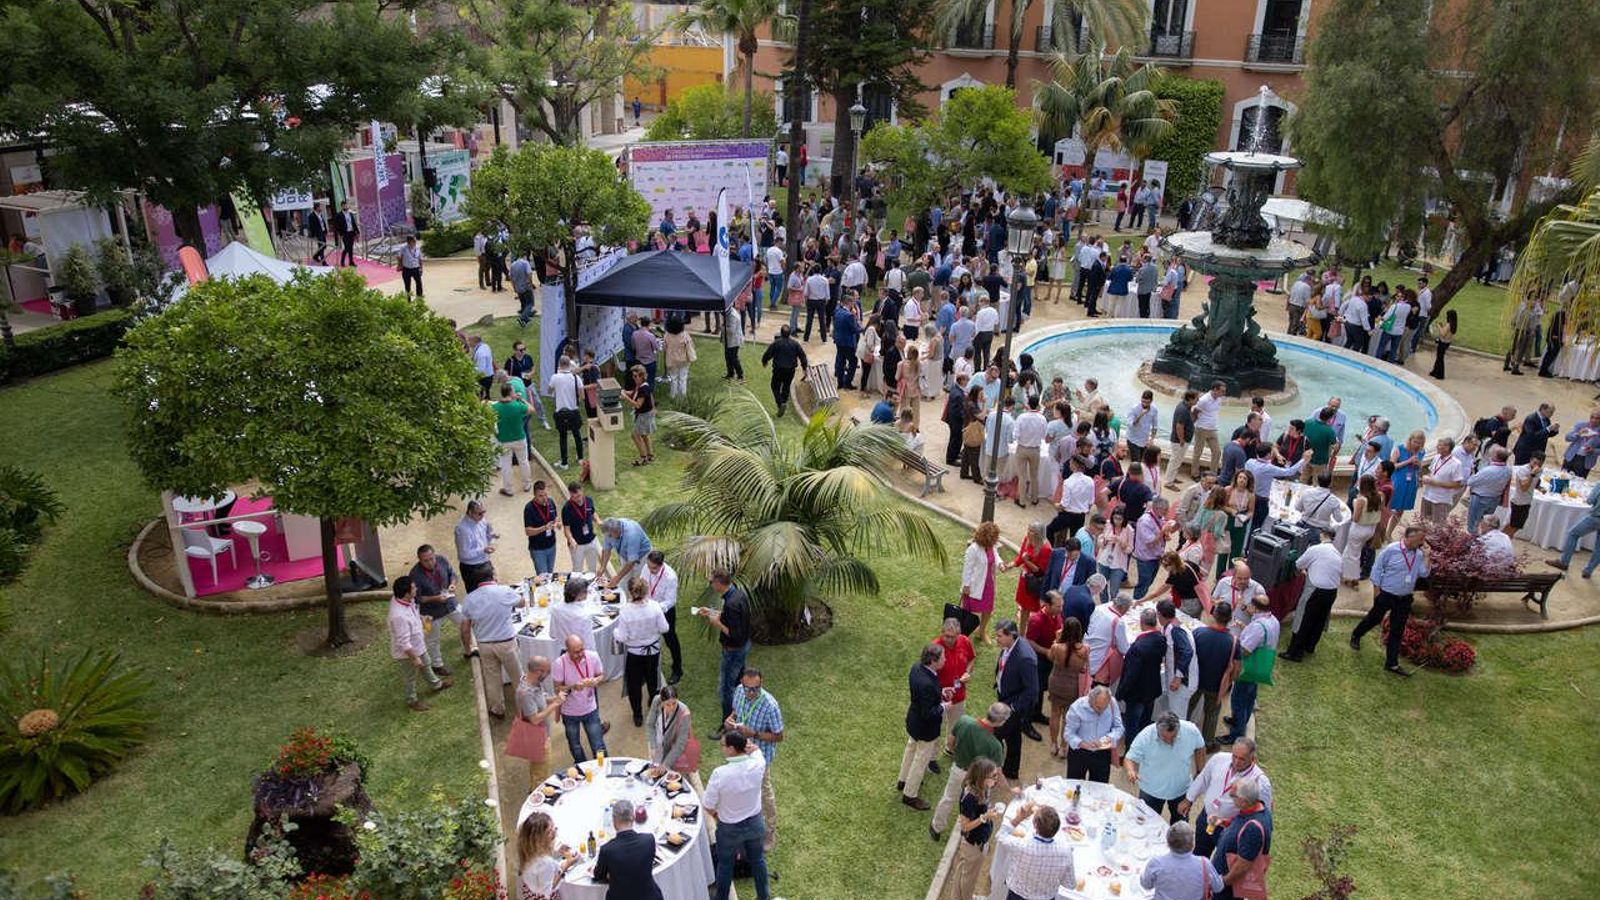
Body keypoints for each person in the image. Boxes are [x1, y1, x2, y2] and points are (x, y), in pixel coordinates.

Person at [1350, 525, 1430, 676]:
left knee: (1397, 630)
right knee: (1374, 618)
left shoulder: (1419, 554)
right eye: (1420, 539)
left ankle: (1391, 663)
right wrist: (1377, 592)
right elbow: (1377, 570)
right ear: (1409, 537)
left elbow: (1424, 574)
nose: (1422, 542)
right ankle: (1357, 634)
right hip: (1387, 594)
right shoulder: (1391, 550)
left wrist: (1427, 557)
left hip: (1405, 598)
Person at [1181, 738, 1273, 859]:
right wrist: (1189, 799)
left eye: (1242, 759)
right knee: (1199, 855)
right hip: (1207, 818)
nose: (1236, 762)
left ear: (1253, 759)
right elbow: (1203, 778)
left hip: (1229, 829)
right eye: (1234, 756)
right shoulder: (1219, 759)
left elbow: (1263, 813)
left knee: (1222, 862)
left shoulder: (1260, 782)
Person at [705, 732, 770, 900]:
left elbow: (708, 805)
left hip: (729, 828)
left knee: (725, 865)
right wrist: (750, 746)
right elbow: (756, 750)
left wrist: (719, 817)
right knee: (758, 861)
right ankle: (764, 897)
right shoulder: (759, 763)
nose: (722, 749)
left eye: (723, 746)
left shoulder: (720, 774)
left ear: (732, 749)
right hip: (755, 823)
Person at [931, 702, 1009, 840]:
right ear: (1000, 722)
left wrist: (959, 755)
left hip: (958, 769)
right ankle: (968, 830)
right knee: (978, 805)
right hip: (978, 780)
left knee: (948, 798)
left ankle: (936, 828)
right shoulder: (996, 746)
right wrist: (1009, 789)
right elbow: (998, 773)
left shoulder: (964, 720)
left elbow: (950, 743)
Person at [725, 667, 784, 848]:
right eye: (747, 688)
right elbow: (736, 711)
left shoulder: (770, 705)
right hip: (740, 753)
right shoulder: (739, 692)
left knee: (764, 793)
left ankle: (770, 832)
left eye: (755, 689)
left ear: (761, 684)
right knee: (743, 789)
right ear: (742, 685)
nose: (750, 693)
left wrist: (754, 733)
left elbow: (779, 736)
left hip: (760, 757)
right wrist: (730, 719)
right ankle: (746, 824)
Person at [460, 564, 526, 718]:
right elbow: (522, 603)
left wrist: (468, 648)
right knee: (518, 676)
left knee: (492, 679)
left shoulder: (470, 598)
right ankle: (524, 708)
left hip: (484, 645)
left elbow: (465, 627)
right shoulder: (503, 591)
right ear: (493, 576)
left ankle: (497, 709)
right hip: (506, 643)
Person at [697, 569, 754, 733]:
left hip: (734, 651)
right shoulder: (737, 594)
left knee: (725, 688)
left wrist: (717, 623)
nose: (710, 585)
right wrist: (712, 612)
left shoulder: (731, 603)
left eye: (711, 582)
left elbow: (734, 634)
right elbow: (732, 618)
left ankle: (727, 724)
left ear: (718, 584)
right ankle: (740, 711)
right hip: (744, 646)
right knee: (739, 683)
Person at [1125, 711, 1206, 823]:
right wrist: (1131, 771)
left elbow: (1200, 747)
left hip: (1181, 789)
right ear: (1157, 729)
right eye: (1164, 737)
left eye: (1173, 737)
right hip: (1151, 790)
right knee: (1147, 823)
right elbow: (1130, 758)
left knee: (1180, 825)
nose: (1169, 741)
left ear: (1179, 729)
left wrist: (1200, 771)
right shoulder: (1146, 735)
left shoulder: (1191, 730)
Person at [940, 757, 1004, 900]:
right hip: (973, 845)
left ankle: (957, 897)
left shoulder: (983, 788)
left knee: (963, 871)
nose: (996, 778)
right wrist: (984, 817)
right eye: (993, 776)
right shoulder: (969, 797)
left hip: (977, 841)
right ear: (982, 777)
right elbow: (965, 826)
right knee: (969, 878)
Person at [388, 576, 453, 711]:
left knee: (427, 664)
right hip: (409, 654)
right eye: (413, 588)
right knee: (410, 677)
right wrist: (414, 658)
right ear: (406, 593)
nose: (416, 589)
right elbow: (403, 642)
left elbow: (413, 615)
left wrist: (422, 619)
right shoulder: (398, 616)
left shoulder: (407, 600)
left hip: (418, 646)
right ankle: (412, 701)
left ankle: (436, 685)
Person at [1220, 594, 1276, 745]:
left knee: (1239, 699)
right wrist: (1245, 628)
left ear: (1255, 608)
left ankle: (1236, 734)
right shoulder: (1273, 620)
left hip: (1248, 667)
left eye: (1251, 606)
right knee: (1250, 697)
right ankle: (1240, 721)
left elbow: (1245, 650)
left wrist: (1234, 642)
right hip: (1260, 666)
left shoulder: (1258, 627)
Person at [899, 643, 948, 810]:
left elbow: (924, 697)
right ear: (933, 661)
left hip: (913, 721)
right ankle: (910, 794)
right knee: (920, 761)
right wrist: (943, 706)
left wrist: (939, 694)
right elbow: (928, 713)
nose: (945, 660)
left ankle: (903, 780)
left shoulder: (916, 668)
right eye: (942, 658)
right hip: (925, 728)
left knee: (910, 749)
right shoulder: (927, 683)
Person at [409, 544, 470, 672]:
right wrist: (435, 598)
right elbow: (417, 598)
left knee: (466, 621)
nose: (430, 562)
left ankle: (468, 650)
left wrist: (453, 584)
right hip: (429, 612)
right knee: (432, 640)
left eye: (432, 558)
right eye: (426, 560)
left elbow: (452, 574)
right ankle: (437, 665)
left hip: (450, 603)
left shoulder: (441, 559)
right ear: (419, 560)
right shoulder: (414, 575)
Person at [993, 619, 1039, 780]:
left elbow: (1032, 690)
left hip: (1013, 705)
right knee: (1013, 736)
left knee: (995, 735)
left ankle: (993, 770)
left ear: (1011, 635)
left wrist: (1012, 707)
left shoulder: (1025, 658)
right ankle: (1011, 770)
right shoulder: (1009, 646)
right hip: (1005, 696)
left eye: (999, 636)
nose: (996, 639)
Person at [1211, 779, 1272, 900]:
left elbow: (1243, 865)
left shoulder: (1253, 828)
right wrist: (1223, 822)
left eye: (1233, 795)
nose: (1230, 796)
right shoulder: (1256, 809)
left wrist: (1223, 882)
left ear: (1244, 802)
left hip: (1227, 889)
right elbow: (1240, 823)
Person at [1286, 529, 1341, 661]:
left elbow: (1298, 564)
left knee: (1304, 619)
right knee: (1319, 620)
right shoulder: (1337, 553)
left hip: (1316, 589)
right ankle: (1309, 646)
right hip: (1332, 590)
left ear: (1323, 535)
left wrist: (1305, 571)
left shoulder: (1315, 549)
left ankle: (1295, 652)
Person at [1001, 804, 1077, 900]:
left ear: (1035, 825)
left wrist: (1019, 818)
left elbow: (1001, 835)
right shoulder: (1066, 851)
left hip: (1017, 896)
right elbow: (1070, 885)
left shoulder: (1021, 845)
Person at [551, 634, 608, 761]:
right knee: (575, 745)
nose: (581, 654)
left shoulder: (592, 656)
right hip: (570, 713)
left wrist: (595, 681)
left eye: (582, 649)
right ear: (567, 650)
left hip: (590, 709)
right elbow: (557, 689)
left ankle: (602, 768)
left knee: (598, 744)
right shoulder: (559, 663)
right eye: (576, 652)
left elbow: (601, 675)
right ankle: (582, 769)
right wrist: (572, 687)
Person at [592, 798, 662, 900]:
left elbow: (598, 876)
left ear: (614, 820)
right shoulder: (649, 840)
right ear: (633, 817)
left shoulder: (607, 850)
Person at [1119, 607, 1168, 745]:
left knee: (1132, 724)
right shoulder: (1160, 639)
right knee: (1145, 721)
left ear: (1141, 623)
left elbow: (1131, 675)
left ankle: (1131, 752)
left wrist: (1121, 693)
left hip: (1137, 693)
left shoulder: (1137, 647)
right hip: (1152, 688)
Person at [1141, 820, 1224, 900]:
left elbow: (1146, 885)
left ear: (1168, 842)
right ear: (1192, 844)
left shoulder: (1156, 863)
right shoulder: (1204, 864)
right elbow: (1218, 887)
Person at [1023, 591, 1064, 740]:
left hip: (1049, 660)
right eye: (1058, 606)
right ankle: (1025, 723)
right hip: (1038, 660)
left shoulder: (1057, 615)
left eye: (1061, 605)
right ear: (1047, 605)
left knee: (1041, 690)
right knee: (1034, 691)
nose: (1061, 609)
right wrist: (1046, 651)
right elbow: (1030, 641)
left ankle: (1036, 714)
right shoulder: (1036, 620)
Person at [1045, 617, 1088, 759]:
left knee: (1055, 713)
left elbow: (1050, 657)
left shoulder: (1057, 647)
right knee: (1068, 718)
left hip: (1056, 682)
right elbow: (1084, 667)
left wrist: (1056, 640)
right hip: (1073, 686)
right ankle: (1064, 747)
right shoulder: (1085, 650)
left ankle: (1053, 744)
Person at [1063, 685, 1123, 782]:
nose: (1102, 711)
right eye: (1099, 708)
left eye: (1105, 708)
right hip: (1079, 753)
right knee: (1074, 786)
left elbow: (1119, 727)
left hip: (1102, 754)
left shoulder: (1112, 703)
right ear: (1091, 700)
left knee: (1100, 789)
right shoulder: (1077, 707)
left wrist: (1108, 738)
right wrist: (1083, 744)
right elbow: (1068, 734)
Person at [933, 617, 977, 750]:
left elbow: (971, 659)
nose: (949, 640)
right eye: (947, 636)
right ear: (942, 632)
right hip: (939, 697)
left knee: (955, 725)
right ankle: (932, 757)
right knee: (935, 728)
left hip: (959, 695)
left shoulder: (964, 641)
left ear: (959, 634)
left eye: (953, 637)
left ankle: (950, 747)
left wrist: (967, 672)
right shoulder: (935, 648)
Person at [515, 810, 578, 900]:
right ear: (539, 839)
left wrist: (556, 851)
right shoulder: (546, 863)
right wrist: (566, 866)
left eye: (553, 827)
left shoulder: (526, 850)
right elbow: (548, 890)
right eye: (549, 831)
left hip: (531, 891)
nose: (554, 832)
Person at [645, 685, 700, 780]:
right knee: (655, 776)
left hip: (675, 752)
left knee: (676, 779)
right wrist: (653, 746)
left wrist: (666, 764)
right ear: (662, 702)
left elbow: (680, 744)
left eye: (674, 703)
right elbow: (650, 725)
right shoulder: (656, 701)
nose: (671, 707)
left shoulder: (684, 713)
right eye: (668, 704)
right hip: (658, 748)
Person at [1546, 479, 1600, 576]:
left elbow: (1590, 500)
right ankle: (1588, 571)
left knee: (1573, 534)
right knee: (1599, 546)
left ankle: (1564, 562)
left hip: (1597, 517)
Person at [1002, 522, 1052, 617]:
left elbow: (1041, 572)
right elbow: (1020, 558)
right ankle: (1021, 628)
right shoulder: (1027, 540)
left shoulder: (1046, 548)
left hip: (1034, 583)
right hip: (1024, 579)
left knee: (1031, 609)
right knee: (1023, 606)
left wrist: (1027, 561)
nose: (1028, 532)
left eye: (1031, 531)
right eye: (1028, 529)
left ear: (1038, 534)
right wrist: (1010, 565)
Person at [760, 325, 809, 417]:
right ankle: (783, 401)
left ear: (781, 333)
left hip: (778, 369)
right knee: (786, 387)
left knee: (775, 386)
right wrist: (804, 368)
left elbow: (768, 354)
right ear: (790, 333)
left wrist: (764, 361)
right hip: (790, 370)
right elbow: (802, 356)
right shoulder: (795, 344)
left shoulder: (776, 343)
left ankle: (780, 403)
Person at [1465, 445, 1512, 532]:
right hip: (1495, 499)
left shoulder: (1488, 470)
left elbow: (1470, 481)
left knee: (1473, 523)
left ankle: (1472, 541)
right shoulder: (1508, 470)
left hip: (1480, 498)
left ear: (1496, 457)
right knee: (1486, 523)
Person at [454, 500, 498, 593]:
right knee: (477, 596)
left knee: (492, 592)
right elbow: (464, 554)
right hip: (472, 568)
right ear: (470, 513)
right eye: (479, 513)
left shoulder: (482, 520)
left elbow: (486, 535)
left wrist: (491, 536)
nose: (482, 515)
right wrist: (483, 550)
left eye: (483, 512)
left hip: (485, 562)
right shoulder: (462, 529)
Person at [1418, 436, 1465, 523]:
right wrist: (1425, 478)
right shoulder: (1436, 457)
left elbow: (1457, 484)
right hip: (1427, 495)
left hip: (1440, 499)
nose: (1437, 446)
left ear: (1447, 448)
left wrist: (1436, 483)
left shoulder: (1456, 464)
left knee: (1438, 526)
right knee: (1423, 521)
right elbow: (1432, 473)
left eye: (1440, 445)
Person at [597, 517, 651, 588]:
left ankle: (635, 598)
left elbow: (632, 560)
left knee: (637, 583)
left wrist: (617, 577)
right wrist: (602, 567)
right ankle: (624, 597)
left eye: (610, 535)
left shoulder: (632, 534)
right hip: (626, 555)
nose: (608, 537)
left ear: (616, 531)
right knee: (624, 581)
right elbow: (606, 550)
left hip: (642, 557)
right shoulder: (609, 531)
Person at [523, 481, 560, 576]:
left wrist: (558, 523)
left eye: (545, 495)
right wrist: (544, 528)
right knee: (543, 577)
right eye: (540, 496)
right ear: (534, 495)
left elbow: (555, 517)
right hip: (538, 549)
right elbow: (528, 531)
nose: (544, 498)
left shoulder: (550, 502)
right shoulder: (529, 508)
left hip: (552, 546)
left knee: (550, 574)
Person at [562, 481, 600, 573]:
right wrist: (571, 540)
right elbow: (566, 529)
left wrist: (598, 521)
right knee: (577, 570)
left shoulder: (589, 500)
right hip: (577, 545)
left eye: (579, 495)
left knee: (592, 569)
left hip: (591, 540)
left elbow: (593, 512)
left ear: (582, 491)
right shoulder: (567, 508)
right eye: (574, 497)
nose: (577, 499)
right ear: (570, 495)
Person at [1190, 382, 1225, 477]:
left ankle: (1212, 475)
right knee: (1198, 452)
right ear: (1215, 389)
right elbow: (1194, 412)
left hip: (1213, 429)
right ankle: (1194, 474)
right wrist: (1193, 426)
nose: (1223, 393)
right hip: (1201, 429)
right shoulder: (1204, 400)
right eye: (1222, 391)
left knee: (1217, 452)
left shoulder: (1219, 399)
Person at [1506, 452, 1542, 540]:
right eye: (1535, 463)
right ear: (1530, 460)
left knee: (1517, 525)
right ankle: (1503, 539)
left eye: (1539, 464)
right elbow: (1524, 487)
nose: (1536, 466)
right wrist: (1532, 474)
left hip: (1527, 501)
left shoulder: (1539, 470)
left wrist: (1539, 487)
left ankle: (1505, 540)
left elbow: (1535, 483)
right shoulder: (1523, 470)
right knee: (1513, 526)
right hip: (1518, 501)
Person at [1428, 309, 1456, 379]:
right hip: (1447, 342)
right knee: (1439, 358)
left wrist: (1439, 326)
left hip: (1443, 343)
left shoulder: (1449, 325)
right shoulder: (1454, 325)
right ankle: (1434, 371)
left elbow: (1443, 334)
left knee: (1440, 359)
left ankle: (1440, 374)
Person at [333, 202, 358, 268]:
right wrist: (341, 233)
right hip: (345, 233)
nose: (346, 207)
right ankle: (342, 261)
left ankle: (351, 262)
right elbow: (336, 226)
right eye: (344, 206)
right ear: (342, 206)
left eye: (346, 205)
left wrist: (357, 231)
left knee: (351, 248)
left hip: (351, 232)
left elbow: (353, 223)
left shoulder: (350, 214)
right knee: (346, 247)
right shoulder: (339, 215)